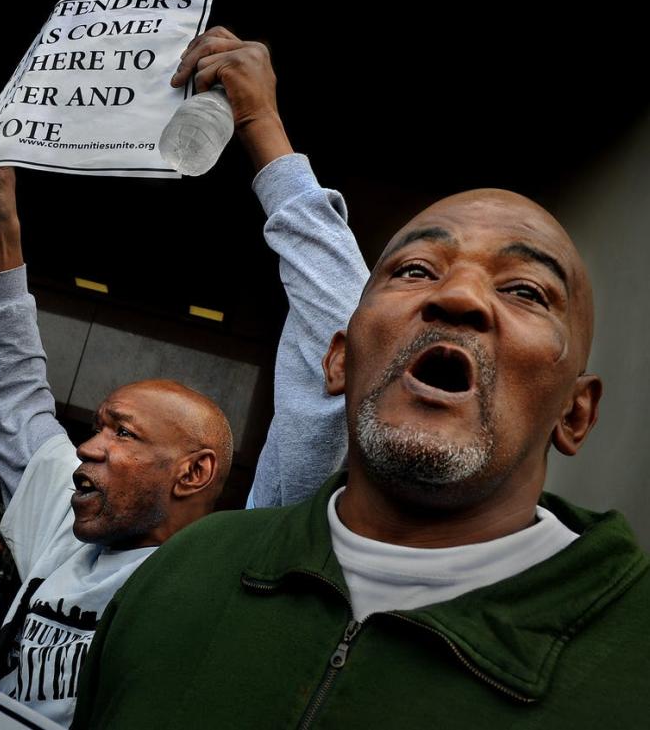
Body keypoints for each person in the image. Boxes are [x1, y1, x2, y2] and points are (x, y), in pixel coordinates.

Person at [71, 60, 648, 729]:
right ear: (339, 360)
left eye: (524, 290)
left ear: (576, 414)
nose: (457, 296)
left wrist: (264, 127)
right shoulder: (184, 572)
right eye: (415, 269)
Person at [0, 27, 369, 725]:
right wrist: (0, 230)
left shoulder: (235, 572)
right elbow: (13, 392)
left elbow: (345, 344)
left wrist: (264, 131)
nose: (88, 445)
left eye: (123, 433)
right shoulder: (66, 525)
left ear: (193, 471)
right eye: (97, 427)